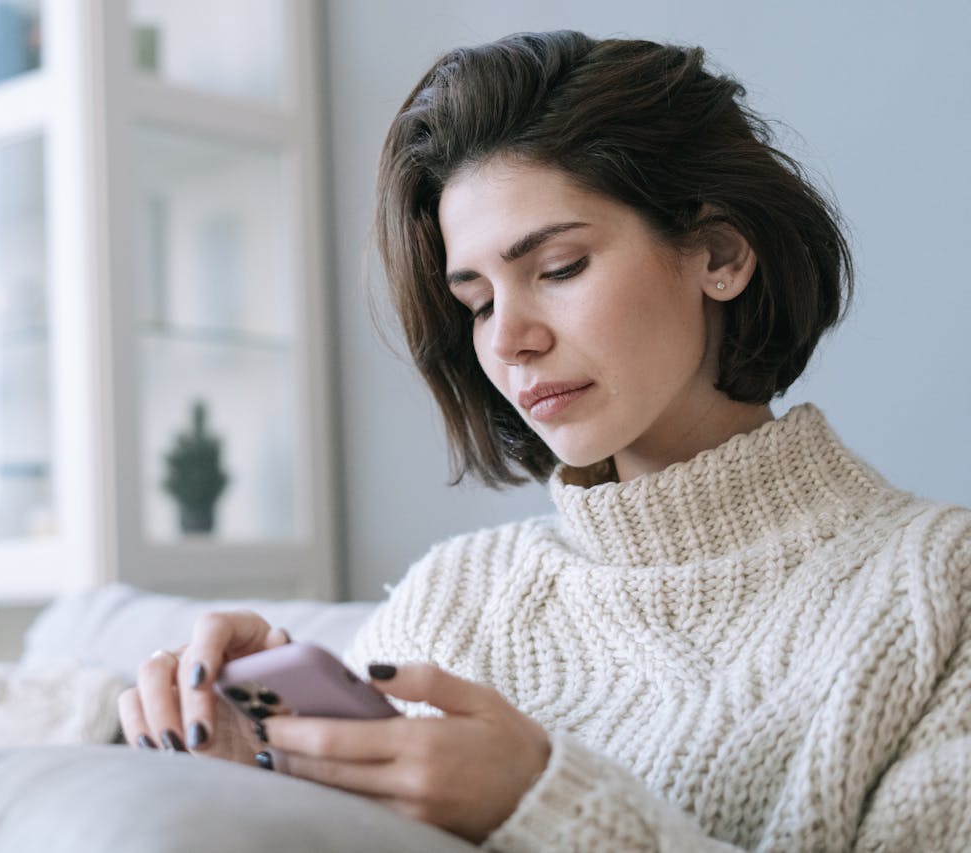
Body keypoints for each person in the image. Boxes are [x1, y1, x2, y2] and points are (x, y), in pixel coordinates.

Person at [117, 31, 971, 851]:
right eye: (478, 302)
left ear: (719, 252)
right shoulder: (452, 598)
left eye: (558, 268)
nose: (509, 339)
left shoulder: (940, 590)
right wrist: (260, 768)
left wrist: (541, 803)